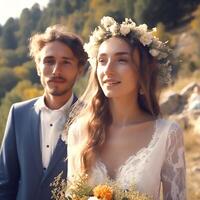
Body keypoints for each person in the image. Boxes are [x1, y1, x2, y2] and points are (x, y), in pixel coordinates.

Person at [67, 17, 186, 200]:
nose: (108, 70)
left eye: (121, 60)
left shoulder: (167, 134)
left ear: (142, 72)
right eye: (102, 60)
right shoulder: (78, 131)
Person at [0, 25, 87, 200]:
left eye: (66, 62)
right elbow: (5, 182)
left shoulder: (93, 116)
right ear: (38, 67)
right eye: (49, 61)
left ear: (79, 70)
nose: (56, 71)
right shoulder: (18, 113)